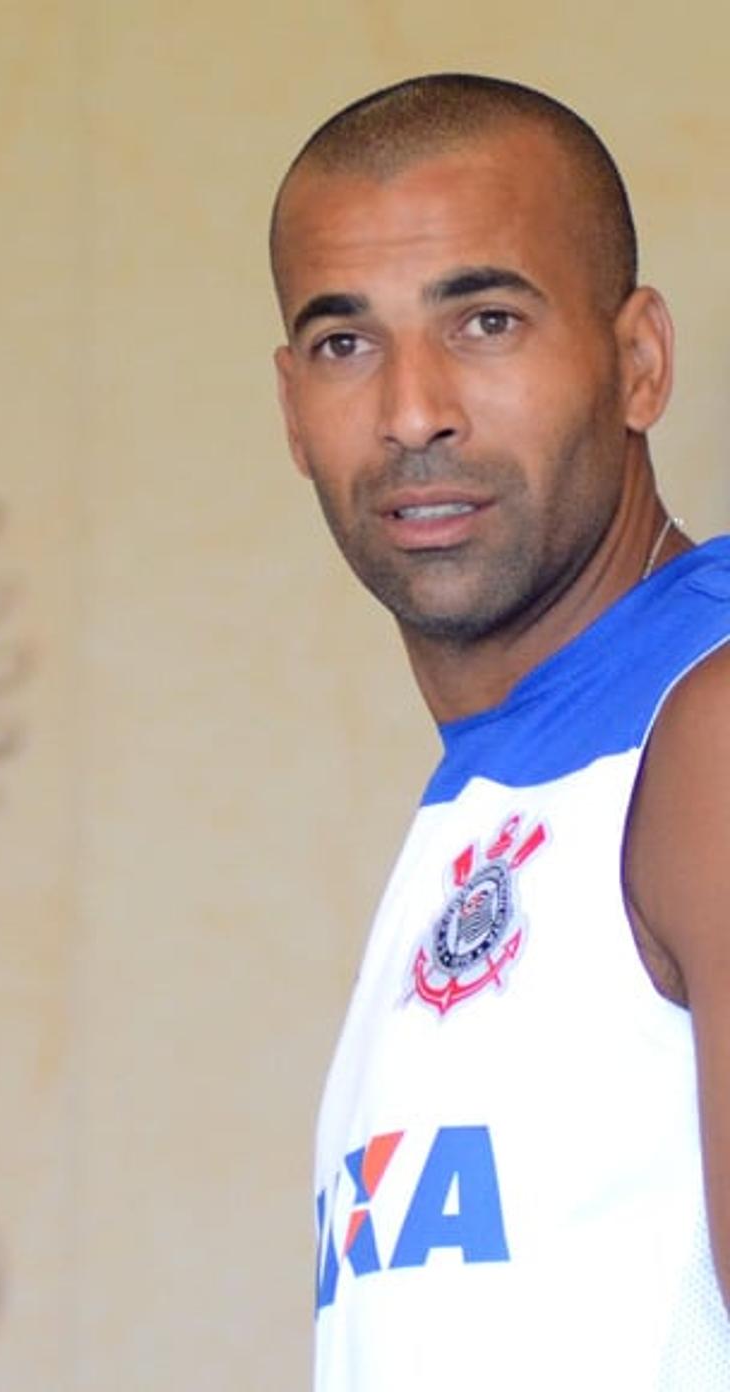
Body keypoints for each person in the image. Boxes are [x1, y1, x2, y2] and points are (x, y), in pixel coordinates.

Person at [271, 74, 730, 1388]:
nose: (414, 411)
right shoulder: (502, 793)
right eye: (347, 343)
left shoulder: (710, 728)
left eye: (485, 320)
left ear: (638, 361)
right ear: (293, 408)